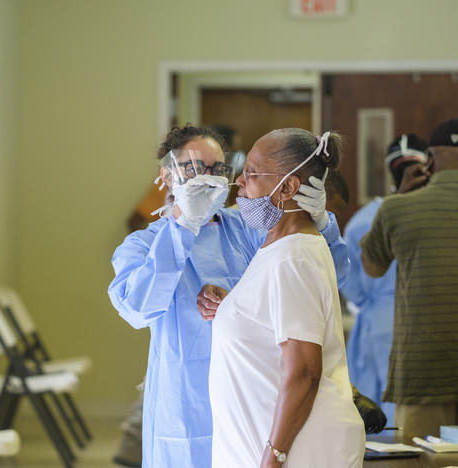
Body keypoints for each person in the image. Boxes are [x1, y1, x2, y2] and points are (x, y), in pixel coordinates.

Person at [108, 124, 349, 468]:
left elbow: (327, 274)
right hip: (185, 408)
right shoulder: (143, 245)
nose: (208, 178)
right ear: (167, 175)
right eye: (194, 169)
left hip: (254, 399)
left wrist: (321, 221)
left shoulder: (249, 230)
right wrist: (183, 228)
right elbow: (136, 308)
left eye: (217, 169)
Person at [205, 129, 364, 467]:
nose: (240, 183)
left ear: (288, 187)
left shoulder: (294, 256)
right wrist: (233, 310)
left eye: (252, 172)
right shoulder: (277, 248)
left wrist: (274, 456)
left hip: (296, 453)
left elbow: (305, 371)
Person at [360, 118, 458, 440]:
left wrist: (399, 197)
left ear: (430, 158)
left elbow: (372, 267)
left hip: (422, 372)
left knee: (419, 460)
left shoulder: (397, 209)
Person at [342, 134, 429, 427]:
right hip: (422, 321)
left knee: (375, 416)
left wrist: (373, 303)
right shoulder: (434, 213)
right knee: (416, 417)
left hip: (375, 325)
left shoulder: (364, 221)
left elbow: (348, 281)